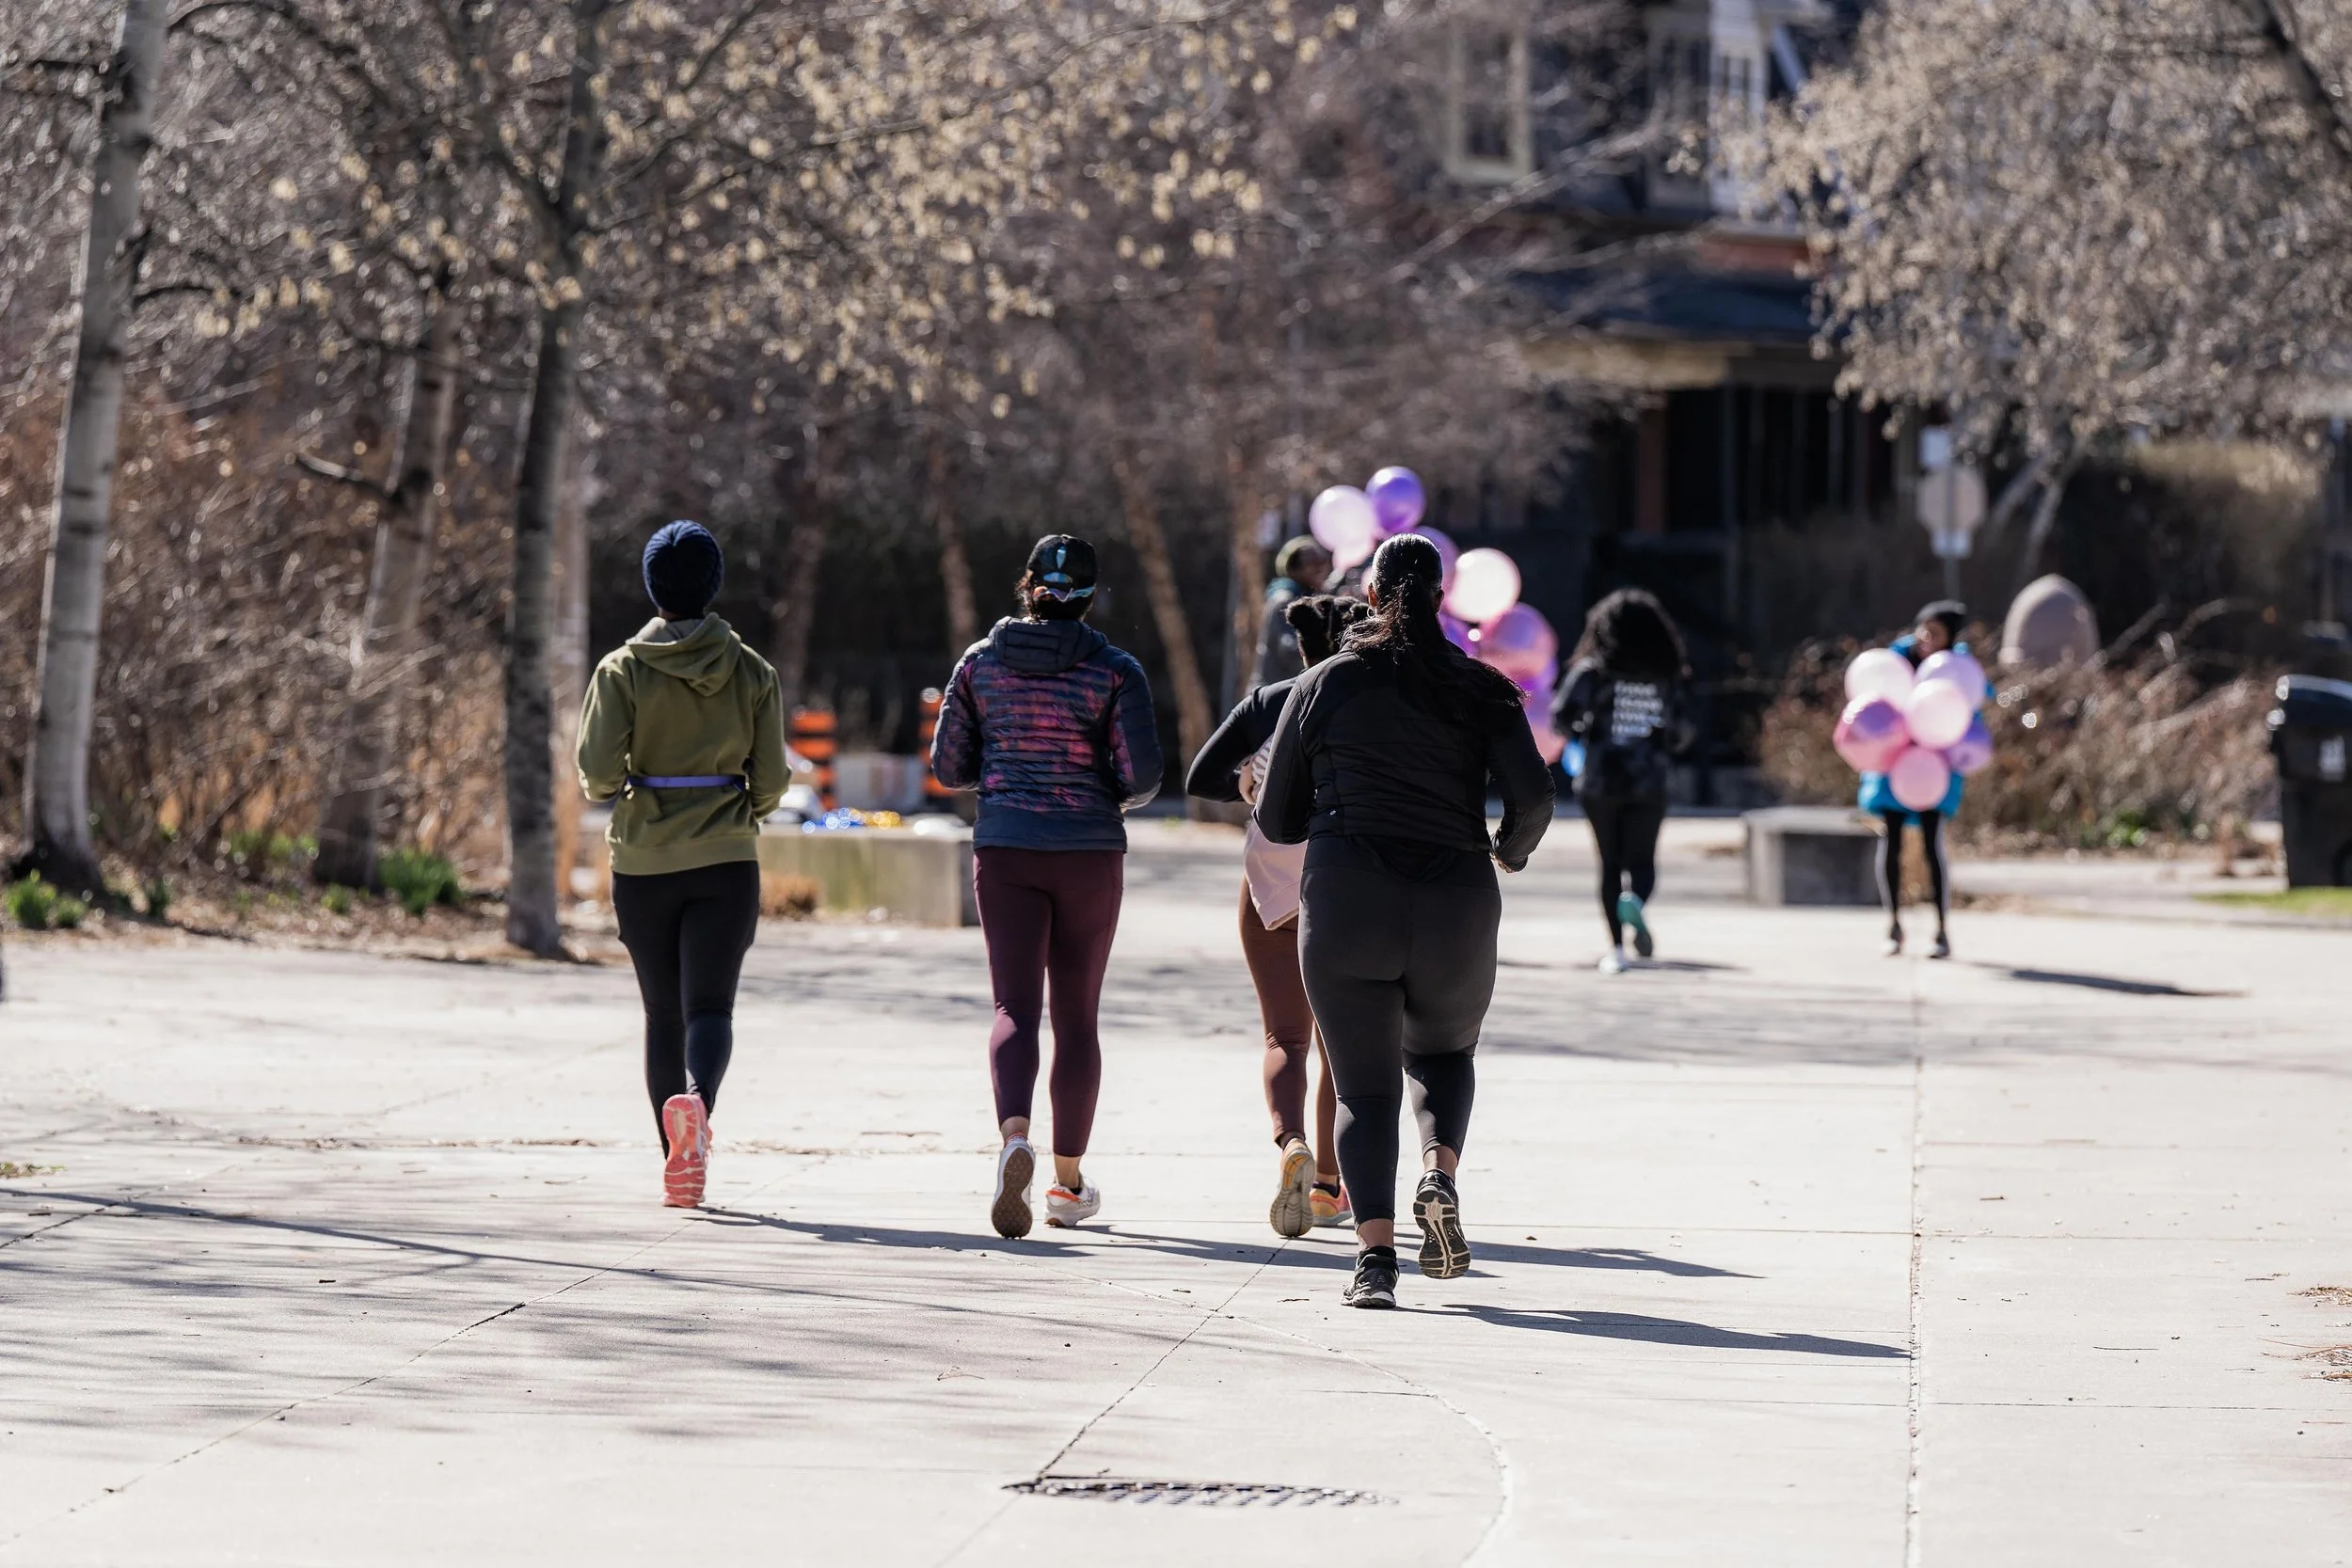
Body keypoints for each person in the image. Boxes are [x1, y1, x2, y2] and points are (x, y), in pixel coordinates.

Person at [1256, 534, 1554, 1308]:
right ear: (1442, 595)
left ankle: (1375, 1264)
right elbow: (1536, 794)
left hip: (1350, 894)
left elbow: (1278, 816)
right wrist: (1506, 851)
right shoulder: (1481, 686)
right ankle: (1439, 1174)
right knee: (1445, 1052)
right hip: (1455, 894)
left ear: (1373, 592)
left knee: (1361, 1084)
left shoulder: (1323, 684)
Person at [930, 535, 1163, 1238]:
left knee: (1014, 1008)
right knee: (1078, 1018)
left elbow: (949, 764)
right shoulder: (1116, 671)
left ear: (1026, 585)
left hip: (1005, 848)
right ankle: (1065, 1182)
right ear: (1091, 595)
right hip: (1089, 851)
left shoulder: (979, 665)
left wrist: (1003, 774)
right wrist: (1100, 787)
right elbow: (1143, 775)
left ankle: (1013, 1139)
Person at [577, 520, 788, 1208]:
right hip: (727, 858)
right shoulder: (754, 671)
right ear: (714, 583)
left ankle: (678, 1158)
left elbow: (597, 776)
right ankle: (697, 1105)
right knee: (710, 1008)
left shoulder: (620, 670)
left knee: (662, 1013)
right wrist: (741, 810)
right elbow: (773, 779)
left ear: (650, 585)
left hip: (643, 863)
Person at [1185, 594, 1369, 1237]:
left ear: (1302, 647)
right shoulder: (1365, 702)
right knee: (1337, 1045)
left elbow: (1200, 777)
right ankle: (1327, 1188)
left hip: (1266, 890)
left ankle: (1290, 1145)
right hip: (1343, 886)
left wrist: (1247, 783)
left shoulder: (1269, 702)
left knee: (1283, 1038)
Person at [1550, 590, 1695, 974]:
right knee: (1643, 860)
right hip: (1650, 778)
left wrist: (1585, 731)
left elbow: (1561, 715)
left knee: (1609, 862)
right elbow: (1682, 730)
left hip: (1600, 779)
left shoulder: (1592, 671)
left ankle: (1616, 950)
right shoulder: (1667, 675)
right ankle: (1637, 902)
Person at [1860, 600, 1968, 958]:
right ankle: (1893, 924)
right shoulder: (1893, 664)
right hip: (1893, 768)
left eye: (1935, 632)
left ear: (1950, 637)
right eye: (1923, 629)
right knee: (1890, 844)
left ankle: (1941, 929)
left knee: (1931, 845)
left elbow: (1973, 709)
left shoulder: (1959, 671)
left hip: (1935, 773)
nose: (1926, 638)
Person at [1251, 537, 1333, 689]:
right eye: (1313, 562)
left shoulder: (1316, 598)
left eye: (1323, 560)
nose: (1321, 567)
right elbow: (1290, 651)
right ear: (1293, 568)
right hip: (1274, 697)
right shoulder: (1284, 600)